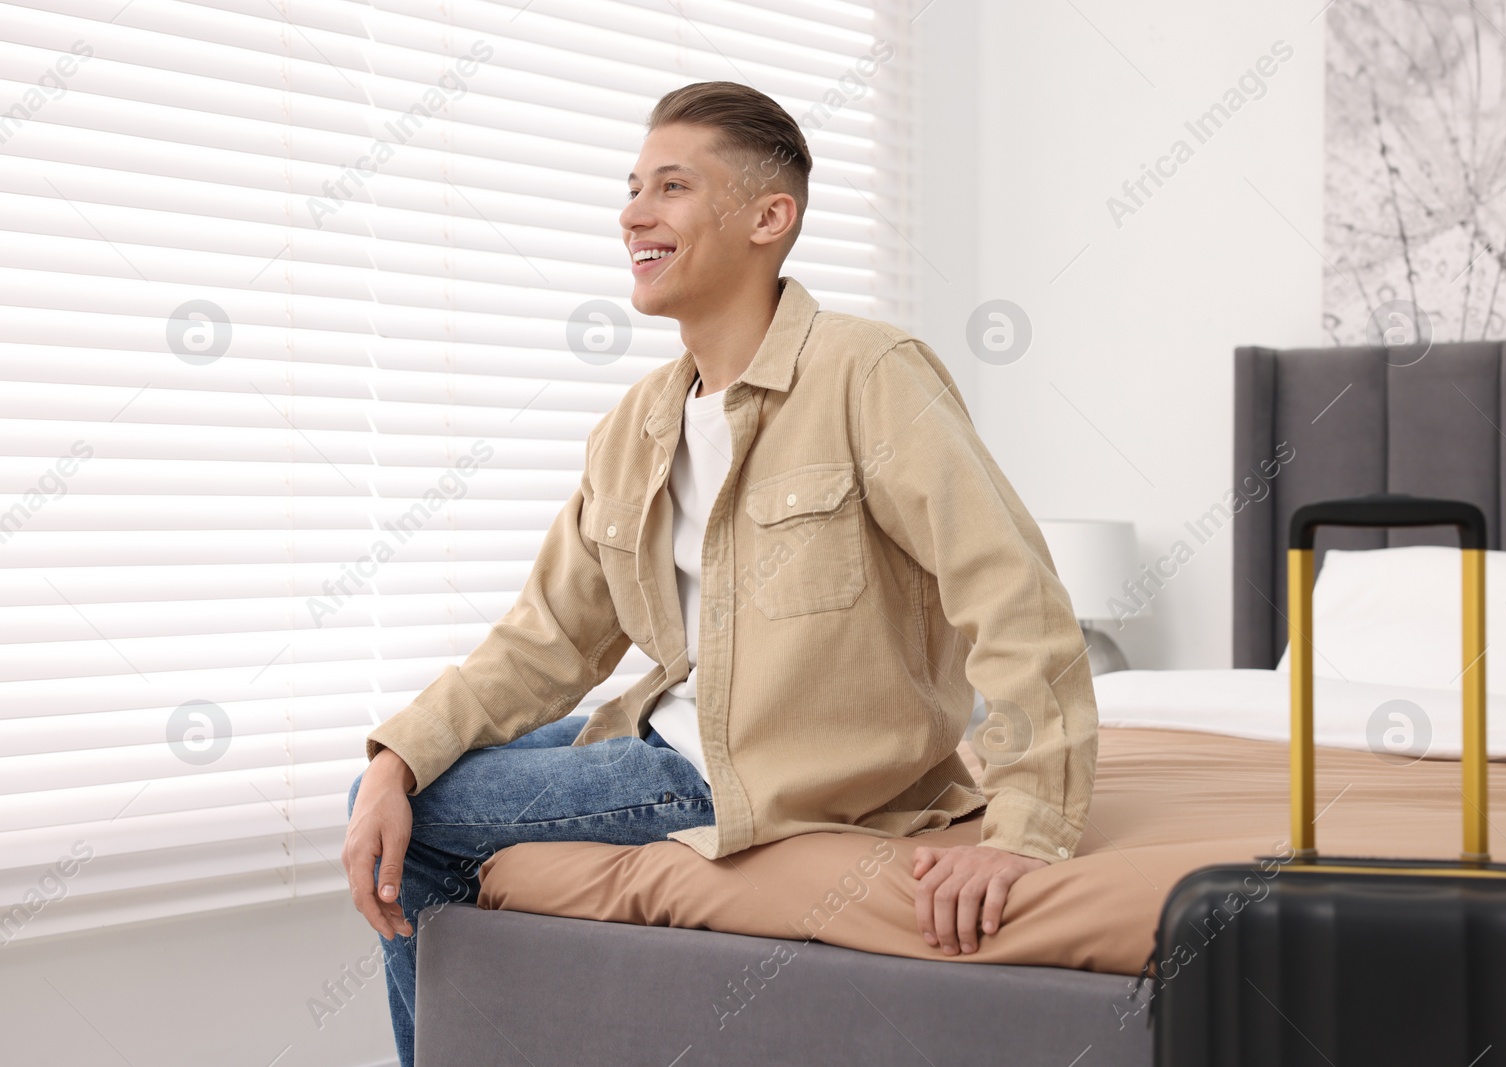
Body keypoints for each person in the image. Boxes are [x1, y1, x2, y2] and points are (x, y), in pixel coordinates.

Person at [342, 80, 1098, 1067]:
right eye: (630, 188)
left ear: (767, 217)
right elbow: (545, 643)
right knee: (398, 793)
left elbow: (1010, 590)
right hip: (661, 739)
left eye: (671, 187)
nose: (632, 212)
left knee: (428, 826)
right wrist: (392, 756)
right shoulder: (635, 424)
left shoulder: (867, 374)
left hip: (755, 775)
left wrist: (1024, 825)